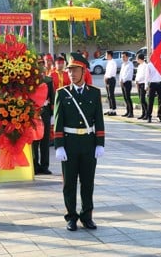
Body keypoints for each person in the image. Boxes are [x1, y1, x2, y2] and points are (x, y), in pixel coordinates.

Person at [52, 52, 105, 232]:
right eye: (69, 71)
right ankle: (71, 217)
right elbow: (58, 120)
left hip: (89, 143)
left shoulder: (94, 93)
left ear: (84, 72)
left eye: (75, 70)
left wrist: (100, 143)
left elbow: (99, 119)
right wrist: (59, 146)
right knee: (69, 183)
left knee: (88, 182)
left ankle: (87, 215)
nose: (71, 74)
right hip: (70, 144)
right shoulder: (62, 93)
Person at [34, 66, 55, 175]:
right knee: (34, 141)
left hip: (45, 112)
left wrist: (52, 115)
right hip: (34, 113)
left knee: (45, 141)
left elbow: (52, 98)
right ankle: (35, 166)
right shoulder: (31, 80)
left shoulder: (49, 80)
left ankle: (45, 166)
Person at [146, 57, 161, 123]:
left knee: (160, 100)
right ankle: (149, 116)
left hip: (160, 83)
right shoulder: (149, 65)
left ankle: (159, 116)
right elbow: (147, 76)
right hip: (152, 83)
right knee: (150, 100)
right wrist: (146, 85)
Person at [119, 51, 134, 117]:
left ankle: (131, 112)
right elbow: (121, 74)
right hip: (122, 82)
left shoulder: (130, 64)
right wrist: (120, 80)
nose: (123, 58)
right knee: (125, 97)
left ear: (127, 57)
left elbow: (129, 74)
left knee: (128, 97)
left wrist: (123, 80)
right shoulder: (123, 64)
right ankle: (127, 111)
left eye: (124, 57)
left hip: (127, 82)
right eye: (122, 57)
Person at [103, 50, 118, 116]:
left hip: (111, 79)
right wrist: (105, 77)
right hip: (107, 79)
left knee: (111, 95)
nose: (105, 56)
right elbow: (107, 72)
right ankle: (110, 109)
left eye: (106, 54)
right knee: (108, 95)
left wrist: (107, 77)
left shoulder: (113, 62)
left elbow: (111, 72)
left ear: (109, 55)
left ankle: (113, 110)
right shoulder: (109, 62)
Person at [135, 54, 149, 120]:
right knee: (141, 99)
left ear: (140, 59)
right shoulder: (139, 66)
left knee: (142, 99)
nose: (136, 60)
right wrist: (136, 81)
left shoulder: (145, 66)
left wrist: (138, 80)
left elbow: (144, 75)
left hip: (143, 83)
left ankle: (147, 113)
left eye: (137, 58)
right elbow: (137, 75)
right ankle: (143, 113)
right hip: (139, 83)